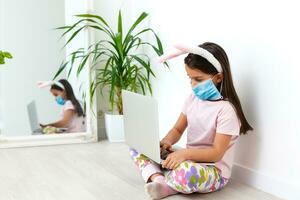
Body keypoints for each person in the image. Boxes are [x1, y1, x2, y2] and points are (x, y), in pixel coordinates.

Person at [129, 42, 253, 199]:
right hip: (187, 158)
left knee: (188, 171)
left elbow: (216, 154)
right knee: (138, 147)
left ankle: (167, 185)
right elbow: (177, 130)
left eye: (198, 79)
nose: (193, 85)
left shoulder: (226, 111)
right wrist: (166, 142)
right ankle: (160, 180)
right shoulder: (192, 99)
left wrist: (184, 155)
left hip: (213, 171)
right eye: (190, 78)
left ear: (219, 77)